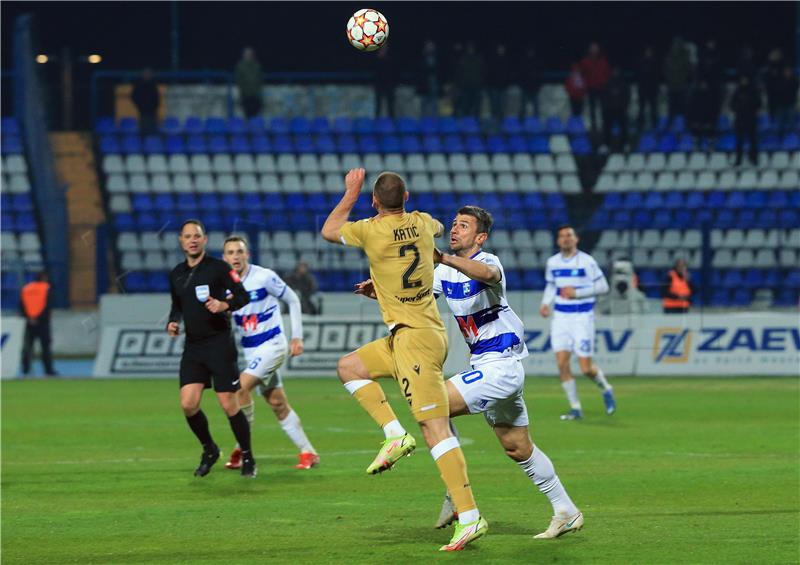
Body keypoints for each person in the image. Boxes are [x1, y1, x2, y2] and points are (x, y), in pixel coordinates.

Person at [354, 206, 583, 539]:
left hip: (502, 366)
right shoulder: (444, 275)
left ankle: (456, 494)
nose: (455, 229)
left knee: (433, 404)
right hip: (488, 367)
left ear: (480, 237)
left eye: (463, 226)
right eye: (454, 224)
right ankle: (566, 510)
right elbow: (413, 297)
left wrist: (443, 257)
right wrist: (381, 291)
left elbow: (488, 276)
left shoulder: (489, 262)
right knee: (517, 447)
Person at [320, 169, 488, 552]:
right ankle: (394, 434)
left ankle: (469, 516)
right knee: (350, 367)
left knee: (435, 430)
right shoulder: (424, 224)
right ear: (407, 196)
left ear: (374, 202)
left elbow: (330, 229)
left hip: (417, 342)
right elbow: (439, 228)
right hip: (408, 334)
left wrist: (351, 192)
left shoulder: (369, 229)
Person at [221, 236, 320, 471]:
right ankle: (308, 452)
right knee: (277, 402)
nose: (235, 256)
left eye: (239, 251)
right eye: (230, 252)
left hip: (273, 345)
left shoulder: (264, 277)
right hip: (251, 350)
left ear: (247, 255)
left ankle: (242, 449)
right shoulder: (224, 285)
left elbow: (293, 299)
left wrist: (297, 336)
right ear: (224, 258)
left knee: (240, 389)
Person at [166, 219, 255, 478]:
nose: (192, 240)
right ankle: (209, 449)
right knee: (188, 404)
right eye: (187, 236)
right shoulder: (176, 273)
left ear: (204, 240)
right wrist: (173, 321)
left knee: (228, 403)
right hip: (193, 346)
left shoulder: (219, 268)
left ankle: (248, 456)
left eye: (197, 235)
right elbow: (177, 305)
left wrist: (223, 305)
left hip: (219, 343)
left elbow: (242, 296)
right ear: (181, 241)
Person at [539, 225, 616, 421]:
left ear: (576, 239)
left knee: (586, 368)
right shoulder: (553, 262)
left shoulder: (587, 261)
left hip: (582, 317)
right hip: (561, 318)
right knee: (562, 364)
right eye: (562, 236)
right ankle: (575, 408)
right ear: (558, 241)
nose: (565, 239)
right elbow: (551, 285)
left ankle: (606, 388)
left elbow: (603, 286)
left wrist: (577, 293)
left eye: (569, 235)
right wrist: (545, 303)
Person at [20, 271, 57, 376]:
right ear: (44, 277)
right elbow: (47, 306)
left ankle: (25, 369)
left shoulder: (26, 288)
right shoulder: (46, 288)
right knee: (45, 347)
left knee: (28, 346)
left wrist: (29, 318)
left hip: (29, 322)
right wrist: (39, 318)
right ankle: (48, 370)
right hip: (42, 323)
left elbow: (21, 306)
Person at [579, 42, 610, 131]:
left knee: (604, 108)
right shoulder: (585, 61)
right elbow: (582, 74)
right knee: (592, 109)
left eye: (595, 48)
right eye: (592, 48)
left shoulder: (603, 61)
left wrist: (604, 82)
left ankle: (605, 126)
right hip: (591, 88)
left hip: (602, 88)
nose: (594, 50)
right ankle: (594, 126)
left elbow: (607, 73)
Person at [731, 75, 760, 167]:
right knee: (739, 142)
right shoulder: (737, 92)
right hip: (740, 120)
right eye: (742, 80)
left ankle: (754, 159)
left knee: (753, 141)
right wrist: (738, 108)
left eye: (745, 80)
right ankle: (738, 160)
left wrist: (750, 107)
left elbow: (759, 104)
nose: (744, 82)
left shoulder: (753, 91)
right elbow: (732, 104)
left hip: (751, 120)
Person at [663, 37, 693, 125]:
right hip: (672, 86)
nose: (676, 46)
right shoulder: (668, 56)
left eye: (678, 44)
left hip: (682, 86)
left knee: (684, 108)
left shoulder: (685, 56)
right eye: (675, 44)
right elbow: (665, 69)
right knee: (671, 108)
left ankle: (686, 124)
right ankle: (670, 124)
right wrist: (668, 79)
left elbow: (689, 70)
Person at [601, 67, 630, 151]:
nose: (615, 73)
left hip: (621, 110)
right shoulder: (608, 83)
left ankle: (625, 144)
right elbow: (604, 97)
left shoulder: (624, 84)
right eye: (614, 71)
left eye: (617, 71)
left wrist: (624, 106)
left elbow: (627, 97)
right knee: (607, 128)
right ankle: (606, 145)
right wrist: (606, 107)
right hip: (610, 110)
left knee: (623, 128)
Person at [636, 46, 660, 131]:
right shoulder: (641, 62)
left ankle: (654, 125)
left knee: (653, 108)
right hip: (642, 88)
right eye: (647, 51)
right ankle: (640, 124)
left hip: (652, 89)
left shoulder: (655, 62)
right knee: (641, 108)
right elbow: (638, 76)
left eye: (650, 51)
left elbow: (657, 76)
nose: (648, 53)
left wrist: (655, 87)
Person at [235, 47, 264, 118]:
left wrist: (257, 91)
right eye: (246, 54)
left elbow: (260, 79)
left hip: (256, 95)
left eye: (250, 54)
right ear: (243, 55)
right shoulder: (240, 66)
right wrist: (243, 90)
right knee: (246, 115)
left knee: (256, 116)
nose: (248, 56)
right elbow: (238, 80)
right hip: (245, 95)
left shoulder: (257, 66)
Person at [131, 68, 160, 136]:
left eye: (149, 73)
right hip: (143, 111)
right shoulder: (139, 84)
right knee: (144, 130)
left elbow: (156, 97)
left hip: (153, 111)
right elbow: (134, 96)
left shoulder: (153, 84)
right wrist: (140, 105)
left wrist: (155, 106)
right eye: (146, 73)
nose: (148, 75)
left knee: (153, 131)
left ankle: (152, 144)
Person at [487, 44, 510, 121]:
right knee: (494, 106)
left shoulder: (506, 59)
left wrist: (507, 83)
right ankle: (494, 121)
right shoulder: (492, 59)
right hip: (494, 86)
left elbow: (509, 73)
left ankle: (502, 122)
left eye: (502, 49)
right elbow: (489, 73)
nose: (501, 50)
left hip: (503, 86)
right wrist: (491, 83)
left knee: (503, 106)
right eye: (499, 49)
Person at [418, 40, 441, 117]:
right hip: (425, 86)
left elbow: (440, 71)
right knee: (424, 106)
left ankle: (434, 124)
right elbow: (420, 72)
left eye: (431, 46)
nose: (430, 48)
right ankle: (424, 124)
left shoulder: (437, 57)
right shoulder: (421, 58)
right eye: (428, 46)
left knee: (434, 106)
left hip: (434, 85)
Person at [518, 46, 542, 118]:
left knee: (536, 106)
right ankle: (521, 123)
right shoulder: (523, 62)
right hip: (525, 87)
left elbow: (539, 75)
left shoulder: (537, 62)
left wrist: (538, 85)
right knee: (523, 106)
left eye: (531, 51)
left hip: (534, 87)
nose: (530, 53)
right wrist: (522, 85)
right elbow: (520, 74)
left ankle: (536, 123)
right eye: (529, 51)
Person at [374, 44, 396, 118]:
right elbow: (375, 73)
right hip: (379, 85)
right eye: (383, 48)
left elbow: (393, 72)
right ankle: (377, 121)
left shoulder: (390, 59)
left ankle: (392, 121)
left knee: (390, 105)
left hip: (389, 84)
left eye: (385, 48)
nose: (384, 49)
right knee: (378, 105)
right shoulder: (377, 59)